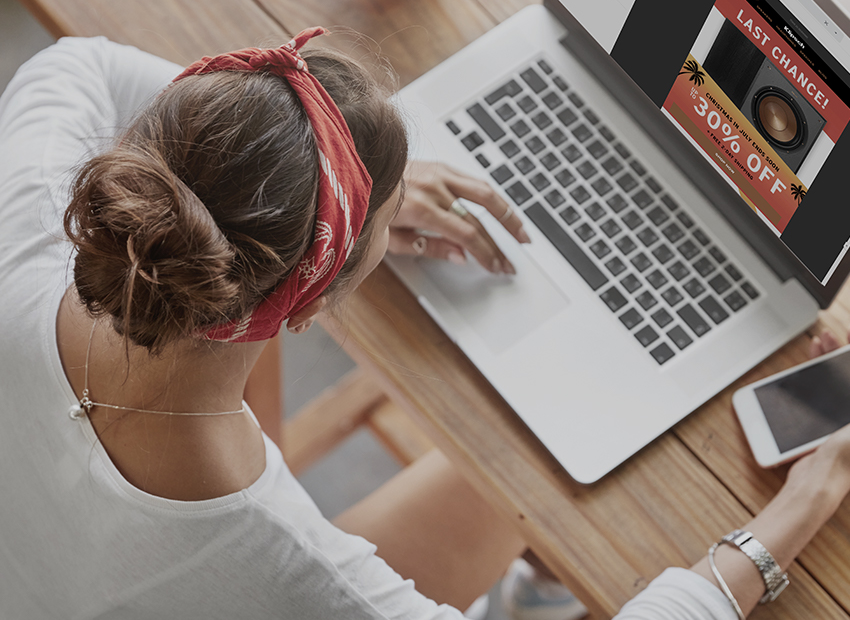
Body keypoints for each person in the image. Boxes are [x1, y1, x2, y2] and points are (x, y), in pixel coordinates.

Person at [1, 33, 849, 620]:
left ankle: (537, 584)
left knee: (516, 479)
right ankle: (535, 589)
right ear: (312, 298)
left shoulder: (25, 232)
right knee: (547, 474)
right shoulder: (301, 577)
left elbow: (76, 65)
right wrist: (802, 508)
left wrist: (311, 198)